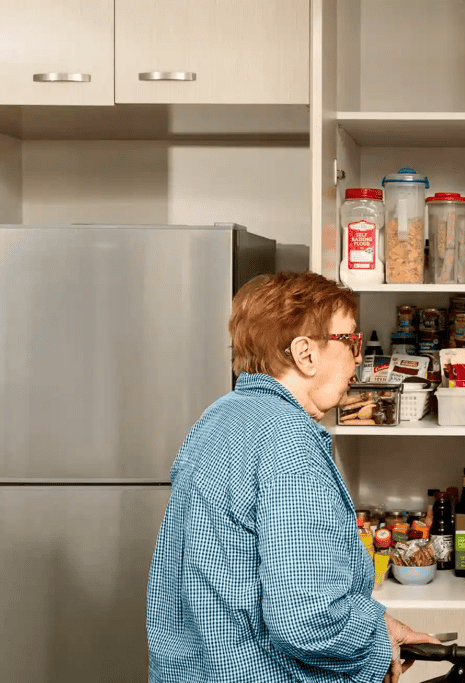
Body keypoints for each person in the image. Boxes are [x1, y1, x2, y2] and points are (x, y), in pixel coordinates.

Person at [147, 272, 436, 683]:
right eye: (350, 341)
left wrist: (384, 627)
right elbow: (306, 618)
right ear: (306, 354)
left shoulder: (219, 415)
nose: (358, 358)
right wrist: (375, 648)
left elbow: (240, 578)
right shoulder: (288, 441)